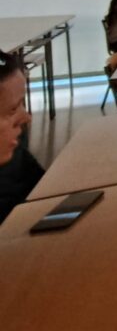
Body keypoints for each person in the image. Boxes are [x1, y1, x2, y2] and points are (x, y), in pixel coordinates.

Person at [0, 50, 45, 223]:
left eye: (22, 104)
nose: (27, 118)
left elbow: (45, 195)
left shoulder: (15, 155)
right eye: (12, 109)